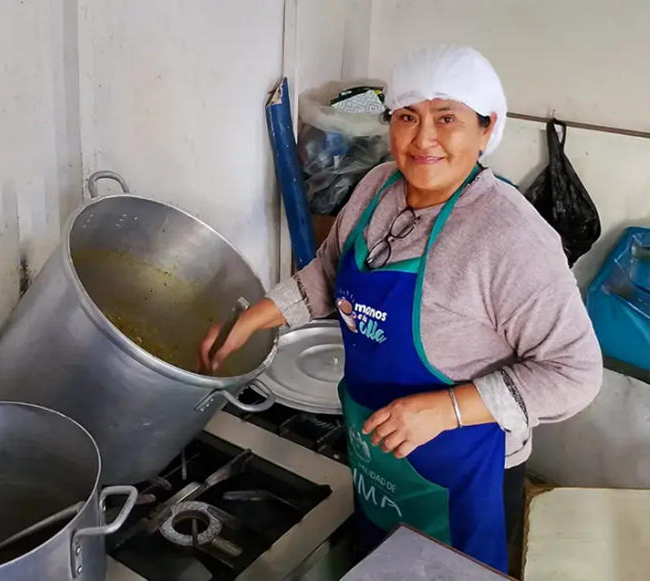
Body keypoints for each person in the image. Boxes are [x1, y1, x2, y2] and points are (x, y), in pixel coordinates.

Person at [199, 46, 602, 573]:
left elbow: (575, 374)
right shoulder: (377, 187)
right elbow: (328, 273)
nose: (423, 138)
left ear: (487, 129)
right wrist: (250, 321)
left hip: (464, 468)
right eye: (408, 116)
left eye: (447, 119)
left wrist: (446, 409)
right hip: (377, 450)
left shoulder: (510, 237)